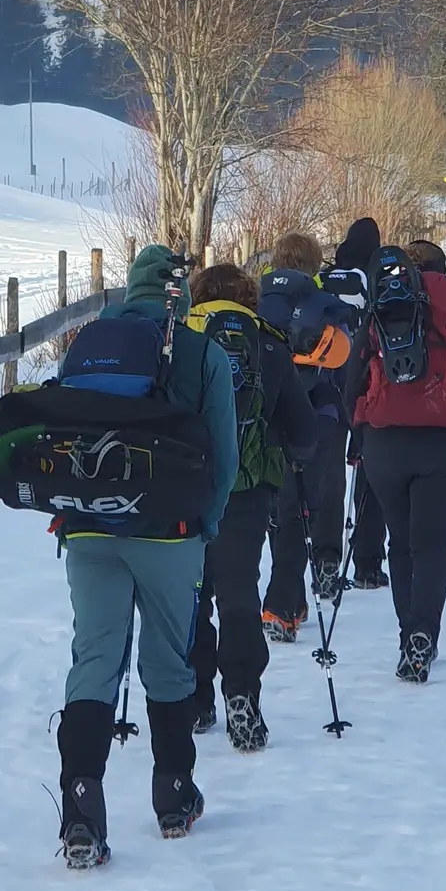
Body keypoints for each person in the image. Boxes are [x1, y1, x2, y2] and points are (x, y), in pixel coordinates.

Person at [55, 245, 239, 868]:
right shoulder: (202, 352)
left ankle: (80, 807)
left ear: (130, 289)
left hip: (86, 529)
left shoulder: (89, 342)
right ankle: (174, 795)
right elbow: (225, 455)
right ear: (181, 296)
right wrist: (205, 526)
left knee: (94, 661)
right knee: (168, 661)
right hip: (169, 532)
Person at [347, 238, 446, 682]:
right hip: (444, 449)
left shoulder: (376, 318)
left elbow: (350, 386)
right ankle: (424, 635)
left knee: (401, 541)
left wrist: (361, 429)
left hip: (385, 449)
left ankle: (406, 635)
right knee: (434, 546)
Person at [184, 262, 318, 751]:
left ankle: (195, 700)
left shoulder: (180, 339)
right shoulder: (268, 344)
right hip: (246, 492)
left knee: (189, 597)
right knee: (238, 594)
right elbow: (303, 431)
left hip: (187, 489)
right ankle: (242, 696)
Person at [257, 231, 353, 640]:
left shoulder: (255, 304)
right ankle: (286, 603)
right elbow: (345, 369)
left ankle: (286, 604)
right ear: (315, 266)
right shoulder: (329, 306)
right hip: (317, 418)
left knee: (280, 512)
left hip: (264, 423)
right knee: (304, 509)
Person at [326, 217, 388, 589]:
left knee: (330, 478)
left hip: (327, 383)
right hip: (367, 385)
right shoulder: (378, 275)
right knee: (370, 475)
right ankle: (367, 562)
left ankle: (327, 557)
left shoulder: (330, 276)